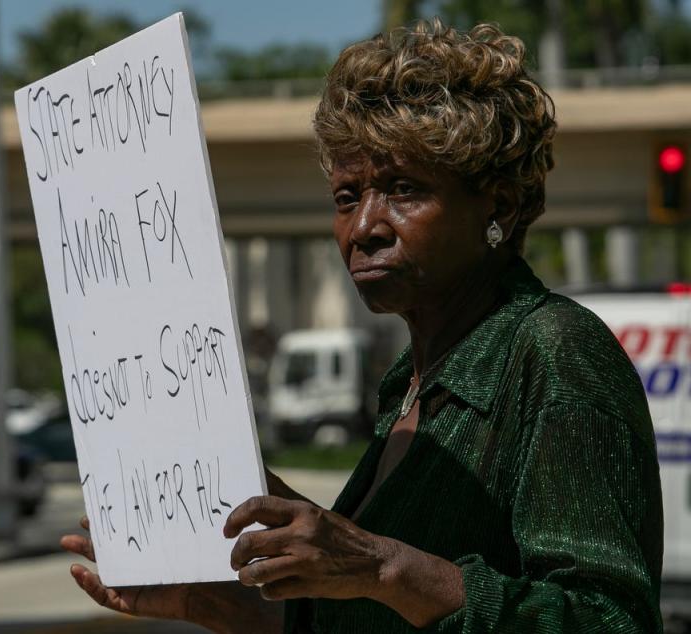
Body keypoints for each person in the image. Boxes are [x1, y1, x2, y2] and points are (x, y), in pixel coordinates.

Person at [62, 18, 663, 633]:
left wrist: (382, 566)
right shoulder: (409, 382)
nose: (364, 227)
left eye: (403, 189)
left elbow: (610, 621)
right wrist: (203, 599)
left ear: (499, 207)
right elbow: (364, 621)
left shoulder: (552, 351)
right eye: (347, 198)